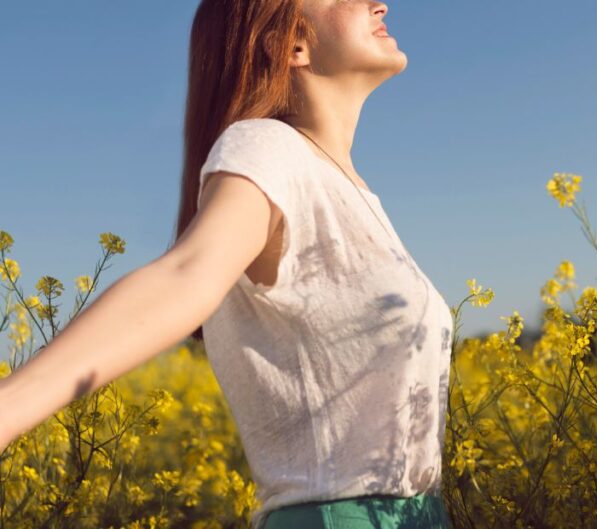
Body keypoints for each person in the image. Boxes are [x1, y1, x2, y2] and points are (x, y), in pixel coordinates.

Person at [0, 1, 455, 528]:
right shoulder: (266, 147)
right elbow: (186, 275)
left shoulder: (346, 187)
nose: (378, 3)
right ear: (291, 46)